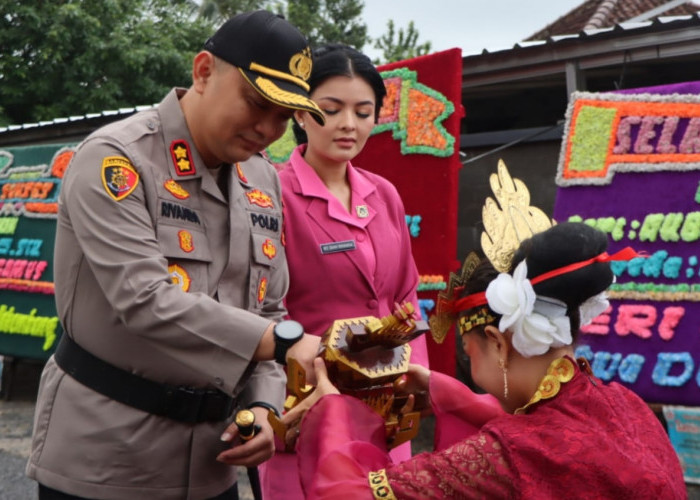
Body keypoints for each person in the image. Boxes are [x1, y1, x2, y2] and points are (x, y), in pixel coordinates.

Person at [26, 10, 326, 500]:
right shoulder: (117, 160)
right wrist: (286, 343)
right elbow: (144, 299)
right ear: (204, 70)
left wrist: (267, 409)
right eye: (257, 103)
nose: (269, 128)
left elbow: (268, 308)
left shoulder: (262, 178)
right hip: (106, 462)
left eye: (285, 116)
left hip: (213, 464)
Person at [286, 221, 686, 499]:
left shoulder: (505, 455)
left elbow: (345, 494)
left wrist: (332, 411)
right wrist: (444, 390)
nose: (469, 361)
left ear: (497, 341)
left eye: (468, 349)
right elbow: (541, 432)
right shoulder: (625, 405)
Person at [257, 44, 430, 499]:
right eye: (330, 110)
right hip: (309, 405)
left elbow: (405, 296)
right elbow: (257, 305)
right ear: (300, 113)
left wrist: (414, 381)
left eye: (363, 111)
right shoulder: (271, 194)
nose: (347, 124)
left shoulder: (384, 193)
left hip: (386, 409)